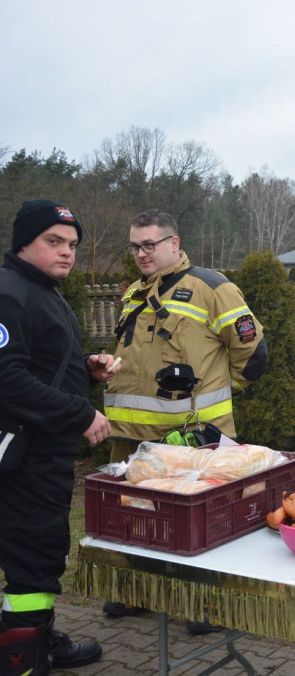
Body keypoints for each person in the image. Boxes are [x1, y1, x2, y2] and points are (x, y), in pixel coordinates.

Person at [101, 209, 268, 627]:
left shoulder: (212, 287)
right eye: (135, 246)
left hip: (192, 439)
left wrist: (218, 390)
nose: (141, 254)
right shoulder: (133, 294)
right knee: (137, 518)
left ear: (174, 244)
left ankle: (208, 606)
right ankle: (139, 593)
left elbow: (253, 353)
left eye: (150, 245)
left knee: (201, 524)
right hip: (132, 437)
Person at [0, 199, 115, 673]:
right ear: (23, 242)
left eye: (72, 244)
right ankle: (22, 661)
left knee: (45, 552)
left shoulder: (43, 290)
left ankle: (40, 637)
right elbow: (6, 378)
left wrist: (84, 373)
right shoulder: (9, 293)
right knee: (31, 562)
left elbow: (41, 368)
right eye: (54, 241)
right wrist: (79, 412)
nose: (67, 252)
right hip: (23, 457)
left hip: (46, 453)